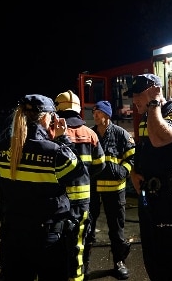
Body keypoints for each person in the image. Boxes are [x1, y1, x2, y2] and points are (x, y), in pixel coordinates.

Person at [0, 94, 89, 281]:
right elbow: (78, 172)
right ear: (47, 117)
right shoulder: (54, 152)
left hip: (14, 235)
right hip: (48, 237)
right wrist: (63, 140)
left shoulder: (2, 148)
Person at [129, 74, 172, 281]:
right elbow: (143, 150)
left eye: (138, 94)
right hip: (148, 194)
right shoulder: (147, 118)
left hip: (168, 196)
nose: (134, 100)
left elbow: (158, 140)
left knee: (168, 263)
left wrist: (154, 102)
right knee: (152, 257)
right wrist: (133, 172)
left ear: (153, 91)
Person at [54, 90, 106, 280]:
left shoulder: (53, 133)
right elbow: (101, 165)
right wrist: (84, 177)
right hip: (83, 200)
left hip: (59, 201)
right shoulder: (90, 134)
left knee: (56, 247)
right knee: (78, 246)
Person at [84, 100, 135, 280]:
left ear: (107, 115)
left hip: (115, 190)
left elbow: (132, 157)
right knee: (88, 228)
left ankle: (119, 262)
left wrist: (123, 172)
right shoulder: (89, 134)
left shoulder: (121, 134)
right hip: (92, 189)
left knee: (116, 228)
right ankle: (84, 264)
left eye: (98, 112)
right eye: (94, 112)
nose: (94, 114)